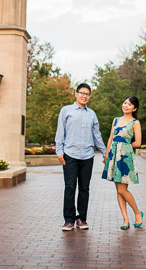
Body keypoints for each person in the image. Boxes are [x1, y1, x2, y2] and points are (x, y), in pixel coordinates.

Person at [55, 83, 106, 231]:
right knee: (70, 187)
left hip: (87, 156)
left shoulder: (92, 114)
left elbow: (97, 135)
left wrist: (104, 152)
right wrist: (59, 151)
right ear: (76, 94)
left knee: (84, 188)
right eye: (82, 93)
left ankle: (81, 218)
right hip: (70, 155)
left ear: (89, 97)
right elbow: (60, 132)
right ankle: (69, 220)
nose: (84, 96)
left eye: (87, 94)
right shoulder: (66, 111)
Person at [101, 96, 143, 230]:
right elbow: (110, 138)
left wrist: (124, 146)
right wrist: (107, 155)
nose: (126, 106)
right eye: (125, 103)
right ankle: (125, 219)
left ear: (134, 108)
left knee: (122, 190)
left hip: (125, 158)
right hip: (113, 157)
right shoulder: (116, 120)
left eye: (129, 105)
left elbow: (138, 142)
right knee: (118, 190)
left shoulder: (135, 122)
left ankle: (137, 212)